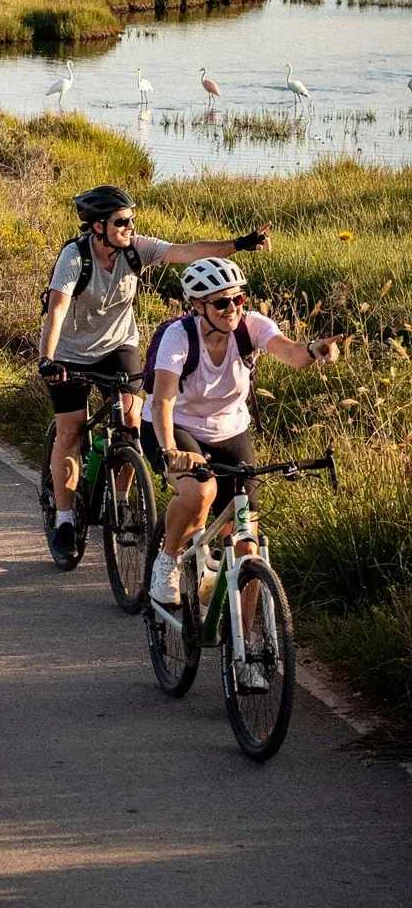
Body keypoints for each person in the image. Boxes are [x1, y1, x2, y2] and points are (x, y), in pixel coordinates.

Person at [38, 186, 271, 569]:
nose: (130, 227)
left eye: (132, 219)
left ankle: (124, 501)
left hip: (118, 345)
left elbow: (188, 251)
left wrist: (239, 244)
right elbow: (58, 309)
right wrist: (48, 359)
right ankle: (65, 519)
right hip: (69, 352)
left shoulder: (136, 249)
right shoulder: (74, 258)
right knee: (72, 430)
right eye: (121, 222)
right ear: (98, 227)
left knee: (130, 422)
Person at [141, 257, 341, 685]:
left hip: (229, 430)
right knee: (199, 494)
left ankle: (244, 648)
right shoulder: (178, 337)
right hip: (174, 429)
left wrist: (313, 350)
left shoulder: (251, 327)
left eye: (237, 299)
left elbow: (288, 351)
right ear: (197, 306)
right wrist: (172, 450)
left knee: (246, 545)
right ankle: (167, 561)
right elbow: (162, 402)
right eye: (220, 304)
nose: (231, 308)